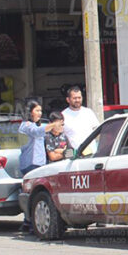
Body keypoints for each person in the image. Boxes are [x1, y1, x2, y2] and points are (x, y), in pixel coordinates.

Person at [19, 100, 56, 233]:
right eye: (37, 110)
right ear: (29, 112)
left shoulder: (36, 125)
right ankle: (29, 223)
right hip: (30, 164)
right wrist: (53, 125)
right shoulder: (26, 125)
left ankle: (27, 222)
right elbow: (37, 132)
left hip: (39, 164)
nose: (40, 113)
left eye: (41, 111)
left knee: (35, 194)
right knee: (32, 195)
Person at [62, 85, 100, 150]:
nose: (77, 100)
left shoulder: (88, 112)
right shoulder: (63, 115)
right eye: (74, 98)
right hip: (75, 155)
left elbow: (98, 131)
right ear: (68, 100)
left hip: (92, 153)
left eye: (79, 97)